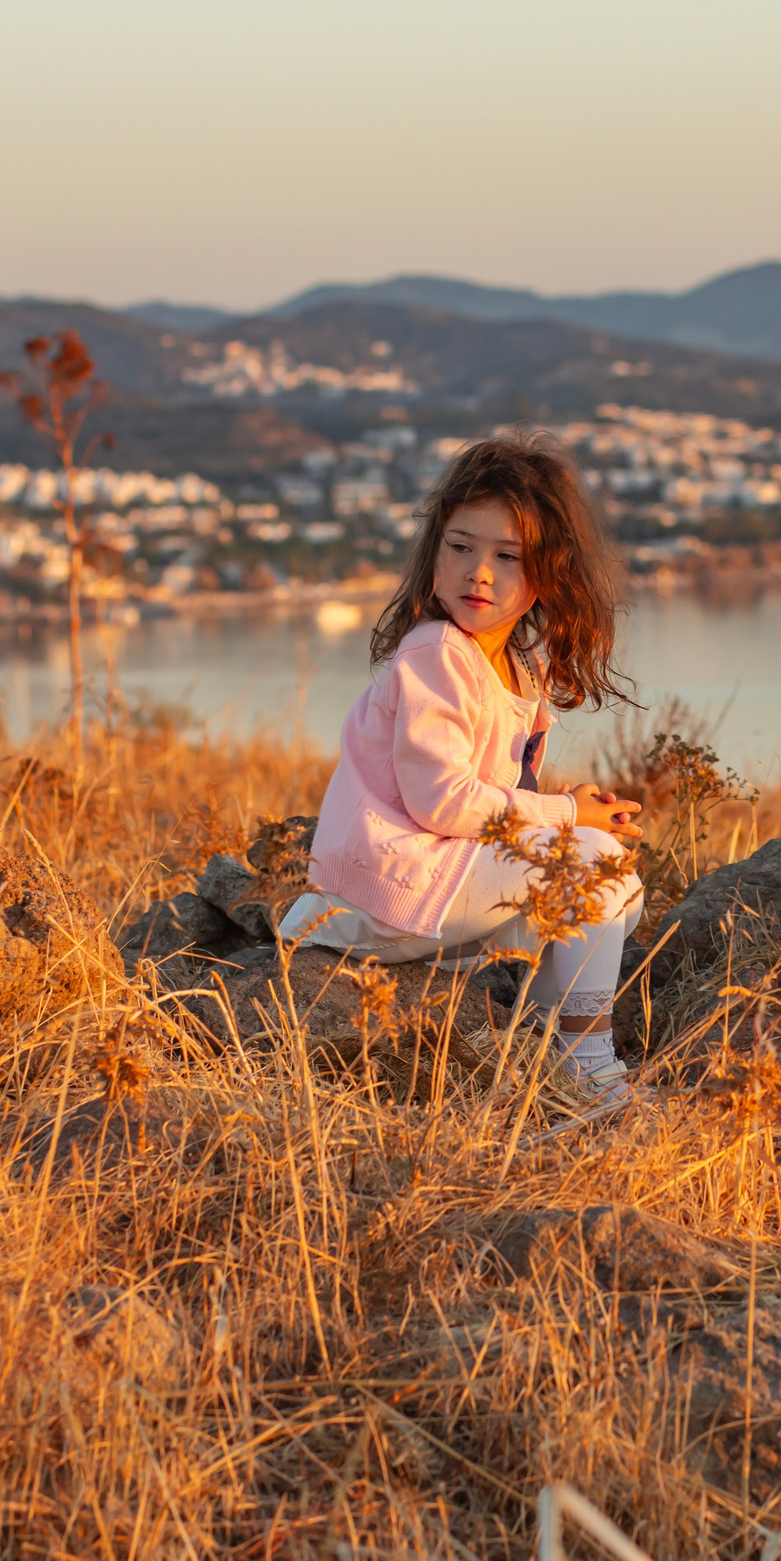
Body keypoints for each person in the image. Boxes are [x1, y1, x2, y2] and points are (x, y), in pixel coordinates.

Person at [281, 430, 647, 1109]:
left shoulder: (515, 664)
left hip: (436, 879)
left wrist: (566, 804)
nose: (480, 570)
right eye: (461, 547)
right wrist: (569, 818)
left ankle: (545, 1029)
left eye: (508, 557)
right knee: (595, 864)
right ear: (435, 553)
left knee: (619, 887)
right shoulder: (436, 656)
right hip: (389, 888)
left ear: (547, 575)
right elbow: (443, 804)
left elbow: (502, 798)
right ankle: (587, 1063)